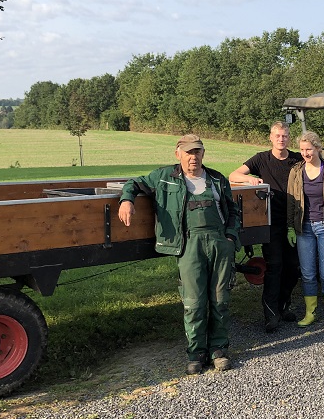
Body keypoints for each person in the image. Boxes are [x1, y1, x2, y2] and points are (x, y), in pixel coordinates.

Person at [118, 134, 240, 375]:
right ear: (178, 154)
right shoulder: (164, 178)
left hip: (219, 242)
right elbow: (133, 183)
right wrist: (126, 200)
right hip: (188, 244)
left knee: (220, 299)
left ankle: (218, 350)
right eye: (188, 152)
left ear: (203, 154)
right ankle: (196, 353)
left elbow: (233, 210)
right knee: (194, 302)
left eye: (197, 152)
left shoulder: (217, 179)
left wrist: (230, 237)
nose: (193, 157)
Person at [230, 121, 302, 332]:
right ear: (270, 137)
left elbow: (318, 167)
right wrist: (249, 180)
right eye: (277, 136)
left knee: (293, 267)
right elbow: (234, 175)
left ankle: (283, 306)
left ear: (289, 138)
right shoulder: (261, 159)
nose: (281, 139)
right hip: (270, 222)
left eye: (285, 136)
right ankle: (270, 315)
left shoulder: (297, 160)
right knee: (275, 267)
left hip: (293, 221)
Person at [286, 132, 324, 327]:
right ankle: (310, 312)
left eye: (309, 149)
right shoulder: (296, 171)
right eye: (302, 150)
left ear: (318, 148)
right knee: (308, 273)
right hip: (304, 229)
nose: (305, 153)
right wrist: (290, 228)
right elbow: (291, 202)